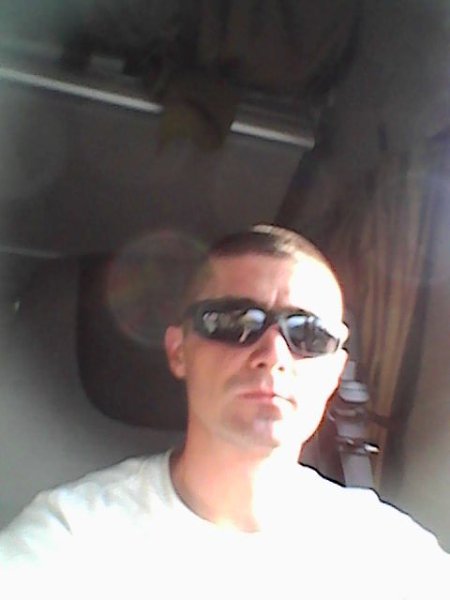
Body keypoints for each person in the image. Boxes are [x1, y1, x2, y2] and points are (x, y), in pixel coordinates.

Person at [0, 224, 448, 599]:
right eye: (237, 322)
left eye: (308, 334)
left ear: (334, 371)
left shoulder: (389, 556)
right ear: (179, 351)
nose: (273, 355)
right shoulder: (75, 539)